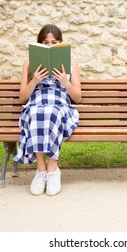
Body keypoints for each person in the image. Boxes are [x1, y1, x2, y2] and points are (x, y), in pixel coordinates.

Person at [13, 24, 82, 196]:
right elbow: (23, 97)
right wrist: (34, 80)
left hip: (60, 105)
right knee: (37, 113)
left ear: (60, 43)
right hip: (36, 102)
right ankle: (40, 170)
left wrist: (65, 82)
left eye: (54, 42)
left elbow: (78, 97)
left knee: (52, 113)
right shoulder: (29, 63)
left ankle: (52, 170)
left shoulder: (71, 63)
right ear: (40, 44)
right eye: (46, 42)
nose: (50, 45)